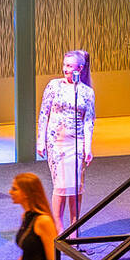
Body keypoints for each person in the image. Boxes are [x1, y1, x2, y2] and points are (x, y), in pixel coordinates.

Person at [35, 50, 96, 228]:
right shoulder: (54, 86)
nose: (65, 69)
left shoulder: (86, 92)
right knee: (61, 186)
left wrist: (88, 147)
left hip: (76, 143)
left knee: (76, 187)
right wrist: (41, 140)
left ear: (80, 68)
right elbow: (44, 113)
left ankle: (74, 228)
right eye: (65, 65)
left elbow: (89, 121)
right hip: (57, 143)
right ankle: (59, 228)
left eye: (70, 66)